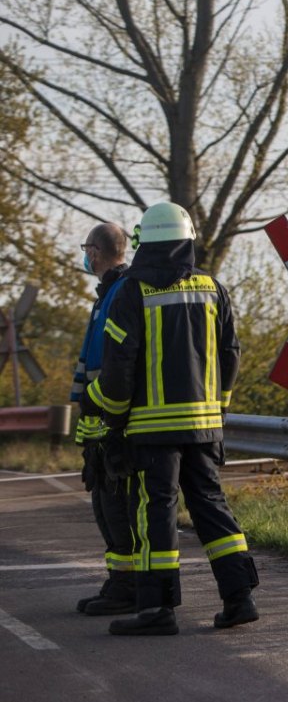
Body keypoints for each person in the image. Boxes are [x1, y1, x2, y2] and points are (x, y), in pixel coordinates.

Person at [87, 201, 259, 636]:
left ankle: (157, 610)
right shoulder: (212, 288)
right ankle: (239, 598)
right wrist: (218, 408)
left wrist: (111, 420)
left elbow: (118, 367)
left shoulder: (130, 292)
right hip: (203, 426)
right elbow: (231, 353)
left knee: (155, 513)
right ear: (186, 242)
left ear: (145, 244)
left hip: (150, 430)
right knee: (211, 508)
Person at [71, 223, 135, 616]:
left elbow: (114, 367)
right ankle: (119, 582)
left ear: (95, 251)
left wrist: (100, 411)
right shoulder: (108, 294)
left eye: (86, 248)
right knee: (105, 505)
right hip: (100, 422)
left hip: (113, 423)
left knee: (115, 508)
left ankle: (126, 587)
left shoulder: (120, 293)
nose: (85, 255)